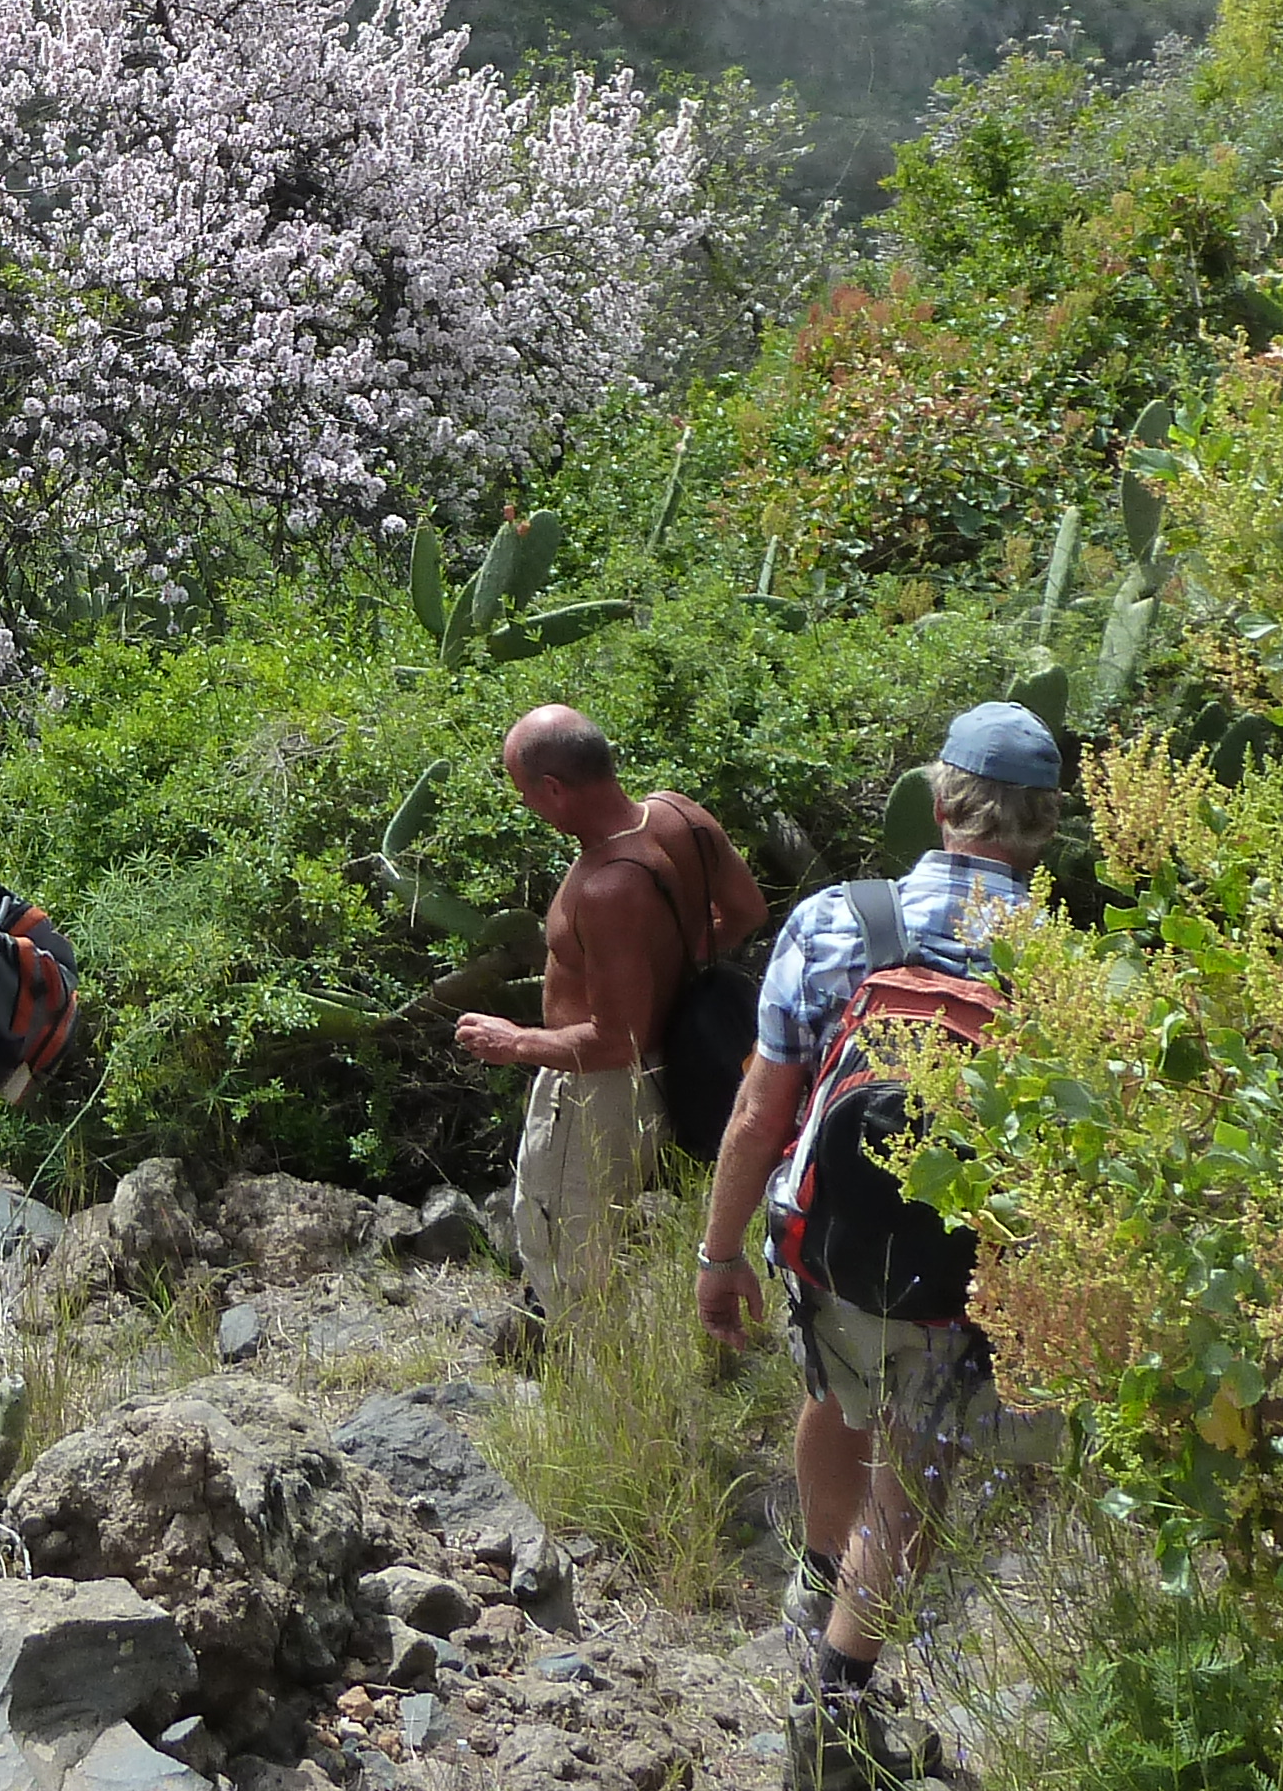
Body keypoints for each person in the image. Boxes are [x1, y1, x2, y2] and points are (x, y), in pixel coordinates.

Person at [695, 704, 1060, 1791]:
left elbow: (760, 1112)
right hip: (956, 1274)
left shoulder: (837, 920)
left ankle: (818, 1588)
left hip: (824, 1248)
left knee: (833, 1396)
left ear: (939, 803)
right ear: (1042, 828)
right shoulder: (1062, 962)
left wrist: (717, 1259)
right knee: (915, 1463)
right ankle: (839, 1695)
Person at [453, 705, 767, 1321]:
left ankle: (589, 1373)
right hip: (673, 1057)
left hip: (602, 1095)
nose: (526, 806)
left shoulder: (606, 887)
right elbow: (748, 909)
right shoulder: (681, 815)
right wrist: (669, 968)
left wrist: (514, 1041)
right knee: (607, 1231)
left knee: (566, 1245)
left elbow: (613, 1041)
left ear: (553, 788)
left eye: (524, 792)